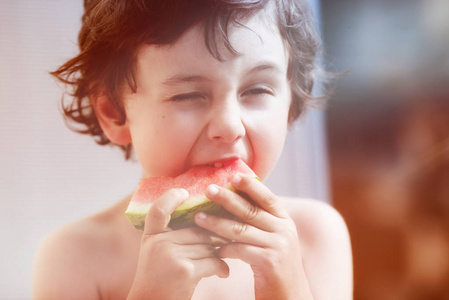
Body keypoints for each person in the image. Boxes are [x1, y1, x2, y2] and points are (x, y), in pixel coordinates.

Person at [33, 0, 353, 299]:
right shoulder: (75, 257)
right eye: (188, 95)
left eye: (257, 89)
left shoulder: (315, 236)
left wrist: (291, 290)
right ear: (114, 113)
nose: (230, 127)